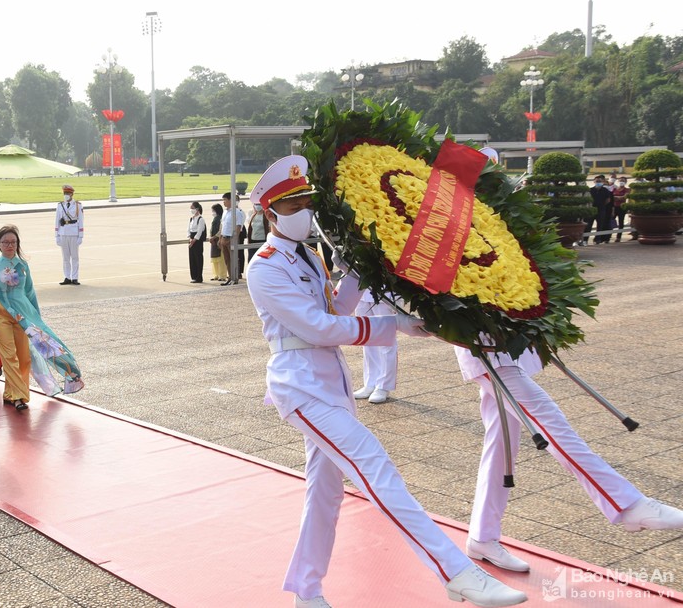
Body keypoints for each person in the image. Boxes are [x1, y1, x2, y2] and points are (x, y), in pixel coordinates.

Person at [244, 156, 525, 608]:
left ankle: (306, 591)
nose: (304, 211)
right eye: (292, 205)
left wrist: (361, 269)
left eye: (305, 202)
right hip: (299, 387)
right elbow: (318, 328)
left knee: (325, 493)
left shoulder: (308, 257)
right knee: (375, 466)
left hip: (328, 385)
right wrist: (392, 323)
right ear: (269, 213)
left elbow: (336, 307)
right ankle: (455, 571)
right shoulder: (265, 267)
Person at [454, 346, 683, 573]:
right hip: (482, 347)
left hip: (501, 344)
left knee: (501, 442)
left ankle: (482, 536)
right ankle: (628, 505)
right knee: (549, 421)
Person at [0, 225, 83, 411]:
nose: (9, 245)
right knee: (9, 356)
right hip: (1, 315)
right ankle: (19, 396)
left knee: (24, 358)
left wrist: (36, 317)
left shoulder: (23, 265)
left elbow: (30, 292)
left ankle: (10, 393)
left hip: (23, 316)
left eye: (13, 242)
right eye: (5, 242)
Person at [352, 291, 398, 404]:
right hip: (360, 292)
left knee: (386, 340)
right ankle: (370, 382)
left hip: (383, 292)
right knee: (367, 338)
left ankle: (384, 386)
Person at [54, 185, 84, 285]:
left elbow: (81, 221)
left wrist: (80, 235)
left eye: (68, 193)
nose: (66, 195)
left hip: (74, 233)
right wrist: (56, 235)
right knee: (65, 258)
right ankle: (67, 277)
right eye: (65, 193)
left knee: (75, 257)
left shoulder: (78, 205)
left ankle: (75, 277)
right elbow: (57, 220)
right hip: (63, 233)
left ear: (72, 194)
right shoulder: (60, 205)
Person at [220, 192, 246, 285]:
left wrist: (234, 239)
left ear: (231, 200)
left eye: (225, 200)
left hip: (231, 238)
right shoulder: (225, 212)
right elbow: (222, 225)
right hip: (224, 238)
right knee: (227, 260)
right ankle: (230, 277)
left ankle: (235, 277)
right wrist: (220, 238)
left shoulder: (237, 212)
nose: (223, 202)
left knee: (233, 259)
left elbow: (238, 226)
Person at [186, 201, 206, 283]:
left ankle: (199, 277)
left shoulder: (201, 219)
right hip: (191, 239)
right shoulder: (191, 219)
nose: (191, 210)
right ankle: (193, 276)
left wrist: (194, 240)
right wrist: (189, 238)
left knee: (198, 258)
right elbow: (188, 229)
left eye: (192, 208)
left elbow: (199, 231)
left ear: (197, 209)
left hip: (197, 241)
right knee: (192, 259)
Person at [209, 203, 227, 282]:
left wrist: (214, 237)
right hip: (213, 240)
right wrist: (210, 237)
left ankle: (222, 275)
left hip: (218, 239)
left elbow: (221, 230)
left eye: (213, 210)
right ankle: (216, 274)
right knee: (214, 258)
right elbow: (211, 229)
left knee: (220, 258)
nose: (212, 212)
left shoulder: (221, 219)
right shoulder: (215, 219)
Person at [612, 176, 631, 242]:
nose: (621, 182)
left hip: (622, 207)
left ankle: (618, 237)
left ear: (625, 182)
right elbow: (611, 197)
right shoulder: (615, 189)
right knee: (611, 220)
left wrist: (616, 197)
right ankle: (608, 235)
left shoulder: (627, 190)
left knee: (621, 222)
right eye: (620, 180)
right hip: (614, 207)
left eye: (623, 181)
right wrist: (617, 197)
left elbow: (624, 197)